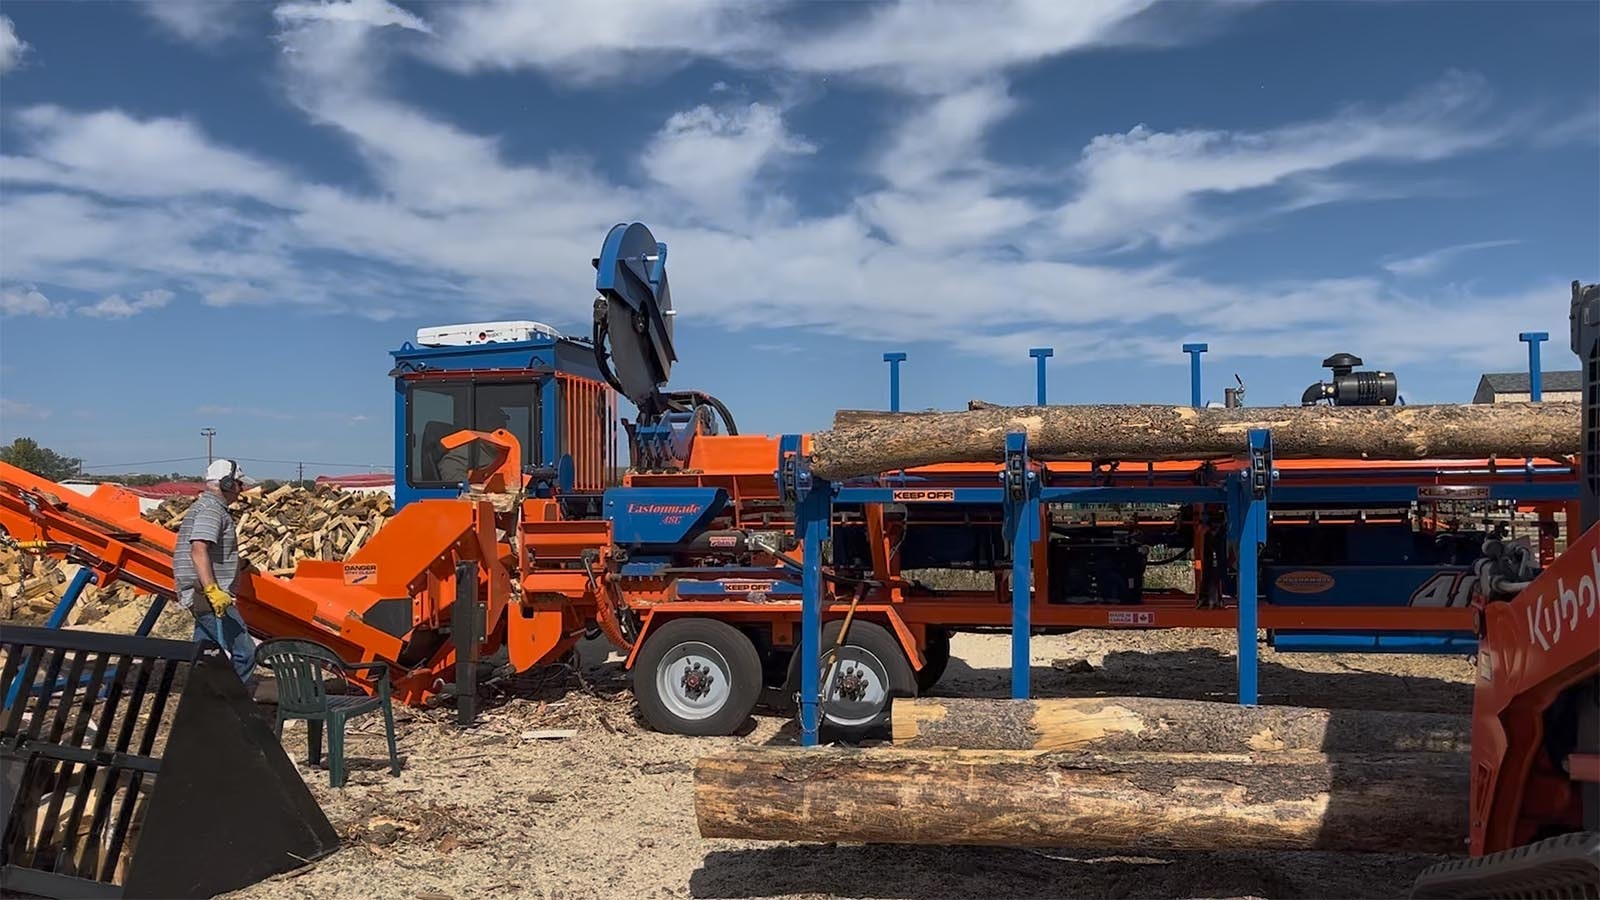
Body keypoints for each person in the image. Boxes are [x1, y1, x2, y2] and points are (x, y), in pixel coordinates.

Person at [173, 458, 256, 681]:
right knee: (245, 653)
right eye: (239, 484)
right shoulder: (211, 510)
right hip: (209, 597)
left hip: (202, 595)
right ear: (227, 484)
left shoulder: (208, 508)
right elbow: (199, 549)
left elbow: (209, 551)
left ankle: (202, 704)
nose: (241, 490)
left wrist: (239, 565)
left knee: (206, 655)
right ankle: (230, 707)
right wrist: (212, 590)